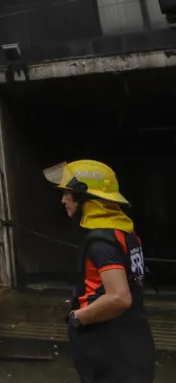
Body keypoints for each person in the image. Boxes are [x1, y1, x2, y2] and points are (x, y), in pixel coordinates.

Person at [45, 160, 154, 383]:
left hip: (112, 350)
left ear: (84, 197)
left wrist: (77, 318)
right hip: (133, 342)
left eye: (67, 193)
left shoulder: (102, 243)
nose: (63, 200)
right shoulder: (124, 232)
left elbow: (119, 298)